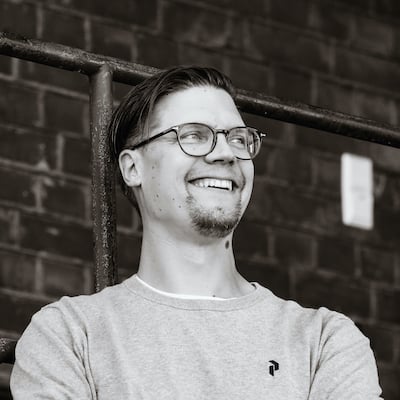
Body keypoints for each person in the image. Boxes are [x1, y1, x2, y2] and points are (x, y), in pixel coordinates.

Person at [11, 66, 382, 399]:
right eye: (193, 135)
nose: (225, 154)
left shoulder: (324, 341)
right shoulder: (69, 336)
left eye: (238, 138)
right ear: (132, 167)